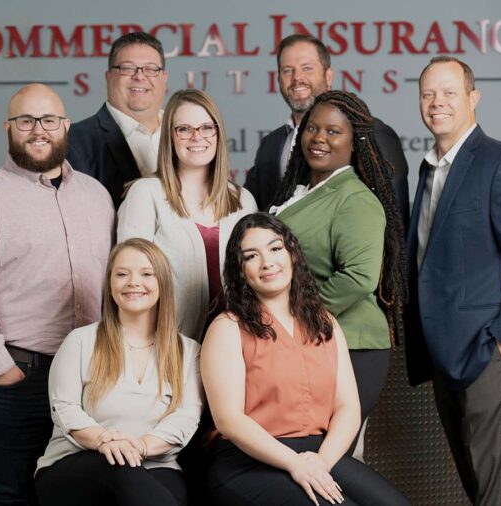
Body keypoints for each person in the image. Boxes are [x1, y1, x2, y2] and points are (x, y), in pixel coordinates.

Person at [0, 83, 114, 505]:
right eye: (26, 120)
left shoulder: (96, 196)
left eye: (49, 120)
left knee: (75, 493)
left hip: (88, 378)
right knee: (8, 493)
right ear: (8, 127)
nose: (39, 130)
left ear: (65, 126)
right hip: (18, 377)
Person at [405, 56, 501, 505]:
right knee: (477, 488)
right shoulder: (430, 168)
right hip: (446, 355)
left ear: (473, 98)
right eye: (428, 94)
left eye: (449, 93)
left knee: (494, 491)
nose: (437, 103)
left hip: (489, 357)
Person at [202, 213, 410, 506]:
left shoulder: (325, 323)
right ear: (240, 270)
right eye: (252, 255)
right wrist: (295, 464)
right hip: (249, 461)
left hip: (318, 453)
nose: (267, 262)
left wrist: (320, 463)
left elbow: (348, 407)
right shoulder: (227, 328)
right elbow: (229, 421)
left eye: (275, 249)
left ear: (293, 255)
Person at [270, 90, 409, 429]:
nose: (319, 139)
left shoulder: (355, 198)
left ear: (355, 140)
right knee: (316, 459)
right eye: (312, 128)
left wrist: (295, 317)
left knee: (329, 456)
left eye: (333, 132)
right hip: (317, 342)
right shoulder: (304, 192)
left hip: (351, 345)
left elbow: (359, 277)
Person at [35, 238, 203, 506]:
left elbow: (186, 417)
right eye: (122, 274)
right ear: (110, 285)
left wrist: (142, 446)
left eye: (146, 274)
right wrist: (104, 440)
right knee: (121, 471)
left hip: (157, 464)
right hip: (77, 464)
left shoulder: (188, 351)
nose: (133, 282)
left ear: (163, 283)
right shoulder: (80, 341)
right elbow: (64, 408)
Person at [117, 89, 257, 342]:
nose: (197, 137)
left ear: (218, 134)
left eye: (206, 127)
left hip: (235, 347)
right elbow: (129, 282)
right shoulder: (145, 194)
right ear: (170, 137)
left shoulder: (243, 200)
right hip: (166, 347)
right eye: (184, 129)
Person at [245, 33, 409, 222]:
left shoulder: (370, 133)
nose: (297, 78)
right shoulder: (270, 144)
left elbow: (395, 217)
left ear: (328, 76)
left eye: (307, 68)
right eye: (287, 70)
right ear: (279, 80)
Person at [68, 32, 169, 208]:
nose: (139, 76)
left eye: (151, 69)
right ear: (108, 77)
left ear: (164, 79)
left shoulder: (187, 133)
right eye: (127, 68)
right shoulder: (73, 141)